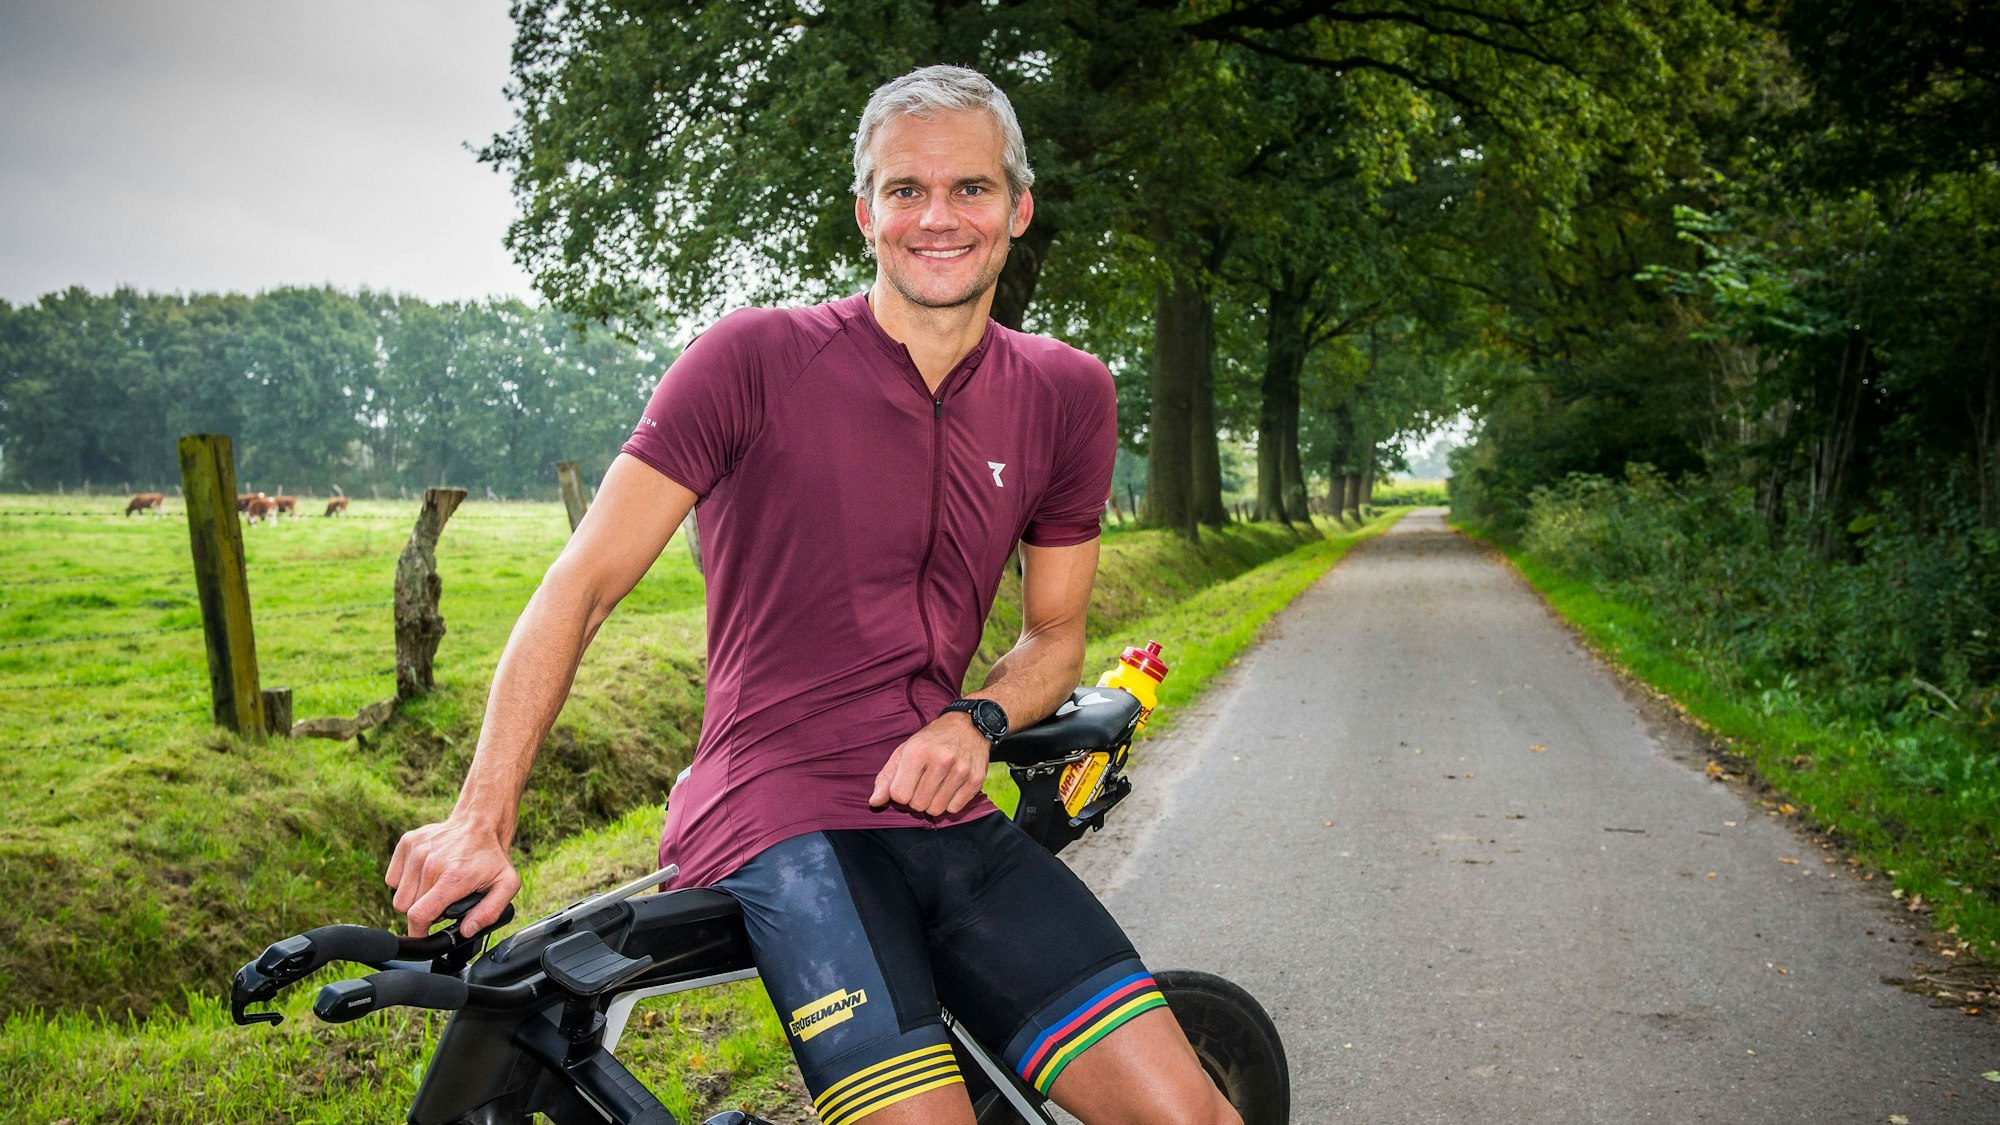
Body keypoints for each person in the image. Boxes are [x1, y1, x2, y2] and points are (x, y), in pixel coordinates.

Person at [385, 64, 1240, 1125]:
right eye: (903, 190)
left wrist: (974, 719)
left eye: (969, 189)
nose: (937, 218)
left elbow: (1055, 636)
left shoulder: (1066, 392)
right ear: (863, 211)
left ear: (1017, 209)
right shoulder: (753, 358)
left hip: (945, 812)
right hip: (777, 814)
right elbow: (583, 586)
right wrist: (480, 816)